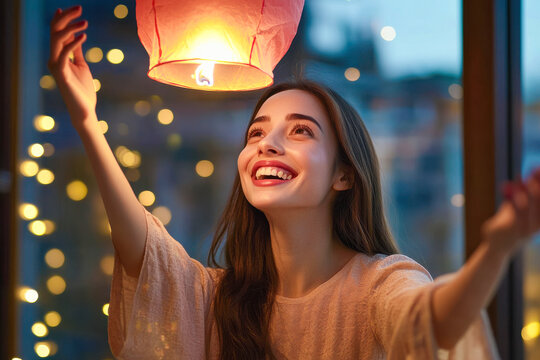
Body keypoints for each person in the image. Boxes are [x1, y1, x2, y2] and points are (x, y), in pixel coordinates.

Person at [48, 5, 539, 360]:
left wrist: (495, 249)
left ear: (345, 174)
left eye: (300, 130)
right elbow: (142, 248)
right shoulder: (219, 298)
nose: (267, 143)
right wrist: (88, 121)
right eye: (257, 132)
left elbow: (434, 325)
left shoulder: (381, 285)